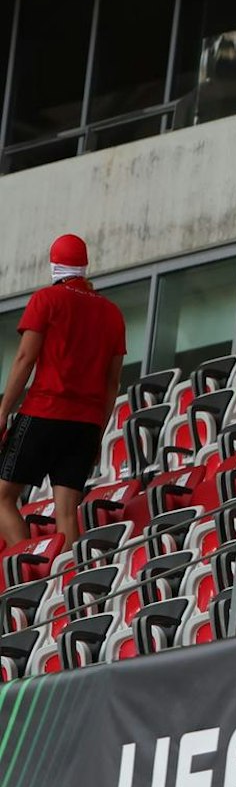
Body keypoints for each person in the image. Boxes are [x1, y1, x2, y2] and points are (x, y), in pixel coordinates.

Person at [0, 235, 125, 550]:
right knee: (67, 512)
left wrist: (3, 411)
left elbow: (25, 358)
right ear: (84, 267)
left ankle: (31, 565)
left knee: (1, 498)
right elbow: (112, 384)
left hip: (44, 412)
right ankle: (64, 581)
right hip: (85, 423)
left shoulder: (46, 300)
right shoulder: (112, 314)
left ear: (54, 264)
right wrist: (98, 432)